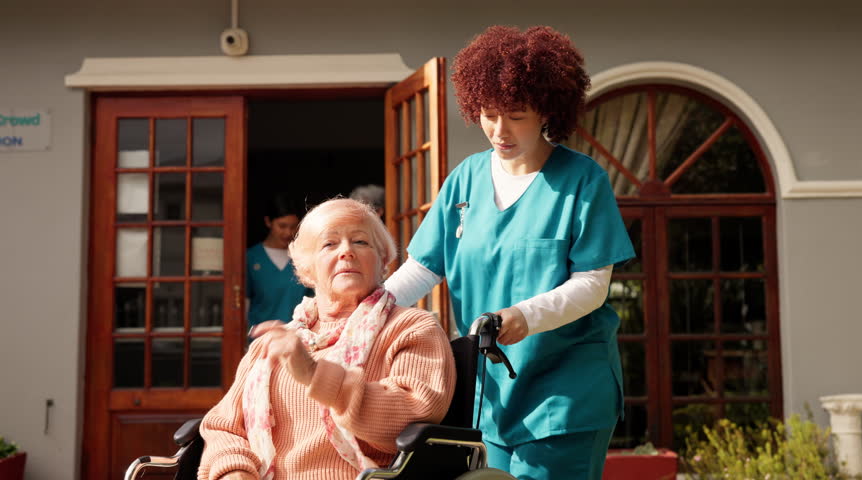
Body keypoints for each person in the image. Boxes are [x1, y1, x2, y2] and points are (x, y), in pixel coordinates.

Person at [384, 26, 635, 480]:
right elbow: (423, 268)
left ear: (547, 112)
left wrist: (524, 316)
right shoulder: (465, 179)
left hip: (566, 394)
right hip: (491, 394)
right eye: (488, 114)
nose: (499, 131)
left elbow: (593, 285)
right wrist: (364, 312)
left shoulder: (583, 181)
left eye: (516, 116)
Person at [198, 198, 456, 480]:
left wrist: (314, 374)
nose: (346, 251)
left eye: (360, 242)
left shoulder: (411, 328)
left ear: (383, 261)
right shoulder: (274, 343)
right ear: (307, 268)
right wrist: (234, 469)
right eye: (329, 244)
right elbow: (223, 427)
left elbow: (413, 415)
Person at [246, 194, 313, 330]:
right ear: (268, 222)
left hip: (297, 336)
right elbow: (241, 304)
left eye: (293, 226)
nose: (288, 232)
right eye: (282, 226)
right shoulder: (251, 258)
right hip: (260, 337)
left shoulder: (303, 257)